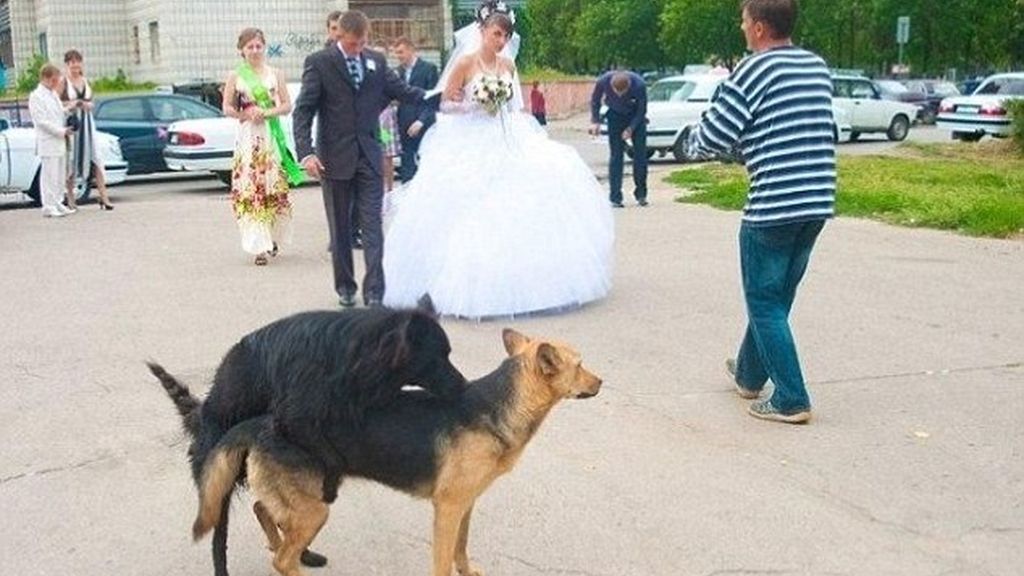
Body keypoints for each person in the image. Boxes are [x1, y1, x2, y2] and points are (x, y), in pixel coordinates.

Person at [382, 1, 614, 318]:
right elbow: (445, 104)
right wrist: (473, 105)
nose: (501, 41)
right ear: (483, 32)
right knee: (472, 209)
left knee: (526, 201)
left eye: (506, 35)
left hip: (506, 136)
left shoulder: (507, 67)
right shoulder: (465, 63)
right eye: (496, 34)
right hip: (470, 137)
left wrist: (500, 108)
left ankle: (533, 284)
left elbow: (515, 106)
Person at [685, 0, 836, 424]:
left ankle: (791, 397)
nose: (741, 25)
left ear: (759, 28)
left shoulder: (754, 70)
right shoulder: (815, 66)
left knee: (765, 302)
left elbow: (715, 135)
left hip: (773, 203)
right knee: (776, 298)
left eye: (744, 19)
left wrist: (696, 144)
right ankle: (750, 374)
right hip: (817, 200)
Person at [293, 10, 428, 308]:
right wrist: (306, 153)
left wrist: (437, 95)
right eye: (353, 44)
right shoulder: (319, 63)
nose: (358, 49)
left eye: (362, 43)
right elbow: (303, 111)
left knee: (373, 226)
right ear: (339, 37)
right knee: (340, 228)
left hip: (369, 156)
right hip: (333, 158)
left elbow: (401, 91)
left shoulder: (376, 61)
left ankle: (375, 292)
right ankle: (345, 287)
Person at [222, 28, 299, 266]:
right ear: (242, 51)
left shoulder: (275, 74)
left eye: (258, 46)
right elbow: (226, 108)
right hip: (248, 141)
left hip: (270, 138)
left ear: (264, 47)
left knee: (272, 188)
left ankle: (272, 238)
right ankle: (258, 247)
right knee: (252, 189)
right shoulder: (236, 76)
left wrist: (266, 112)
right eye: (250, 47)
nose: (255, 51)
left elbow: (287, 106)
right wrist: (245, 114)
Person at [59, 50, 114, 211]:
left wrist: (88, 105)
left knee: (96, 158)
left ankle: (104, 196)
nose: (75, 65)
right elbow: (56, 103)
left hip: (88, 124)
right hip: (73, 124)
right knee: (72, 159)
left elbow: (92, 101)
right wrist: (72, 104)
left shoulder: (85, 80)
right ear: (67, 64)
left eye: (77, 61)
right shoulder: (64, 82)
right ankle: (70, 197)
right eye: (71, 62)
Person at [589, 69, 649, 208]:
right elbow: (595, 100)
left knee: (640, 156)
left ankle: (641, 194)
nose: (620, 95)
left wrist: (631, 128)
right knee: (616, 155)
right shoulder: (603, 81)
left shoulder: (639, 84)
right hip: (615, 116)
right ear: (611, 86)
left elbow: (642, 110)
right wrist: (595, 121)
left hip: (635, 117)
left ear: (629, 86)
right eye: (617, 93)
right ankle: (615, 197)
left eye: (623, 93)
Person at [29, 64, 74, 218]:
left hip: (60, 140)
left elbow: (58, 113)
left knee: (60, 173)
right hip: (48, 141)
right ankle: (48, 205)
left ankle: (58, 201)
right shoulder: (36, 96)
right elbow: (42, 121)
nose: (56, 83)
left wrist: (68, 109)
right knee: (49, 174)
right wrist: (61, 131)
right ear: (46, 78)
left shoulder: (53, 94)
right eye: (54, 80)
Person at [392, 36, 439, 182]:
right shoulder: (397, 72)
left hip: (423, 123)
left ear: (411, 50)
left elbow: (433, 99)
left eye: (401, 52)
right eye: (396, 53)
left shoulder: (428, 69)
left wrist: (421, 121)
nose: (398, 56)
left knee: (425, 163)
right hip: (404, 123)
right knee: (406, 164)